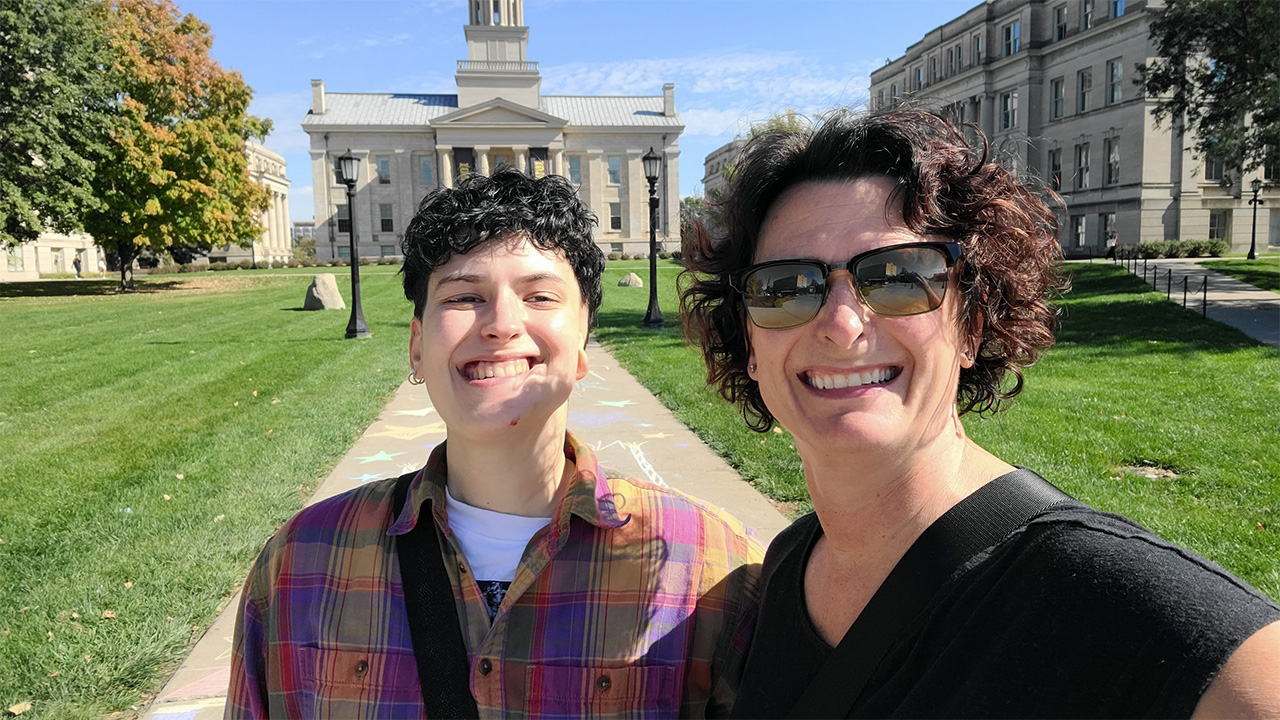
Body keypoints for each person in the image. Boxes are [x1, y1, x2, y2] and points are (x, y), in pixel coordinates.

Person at [680, 109, 1280, 718]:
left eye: (897, 276)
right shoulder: (788, 567)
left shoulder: (1112, 603)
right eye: (786, 286)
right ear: (750, 344)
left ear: (971, 323)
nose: (840, 324)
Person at [227, 167, 763, 719]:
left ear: (582, 344)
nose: (502, 324)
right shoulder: (300, 565)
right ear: (416, 347)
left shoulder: (712, 572)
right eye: (463, 296)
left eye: (539, 295)